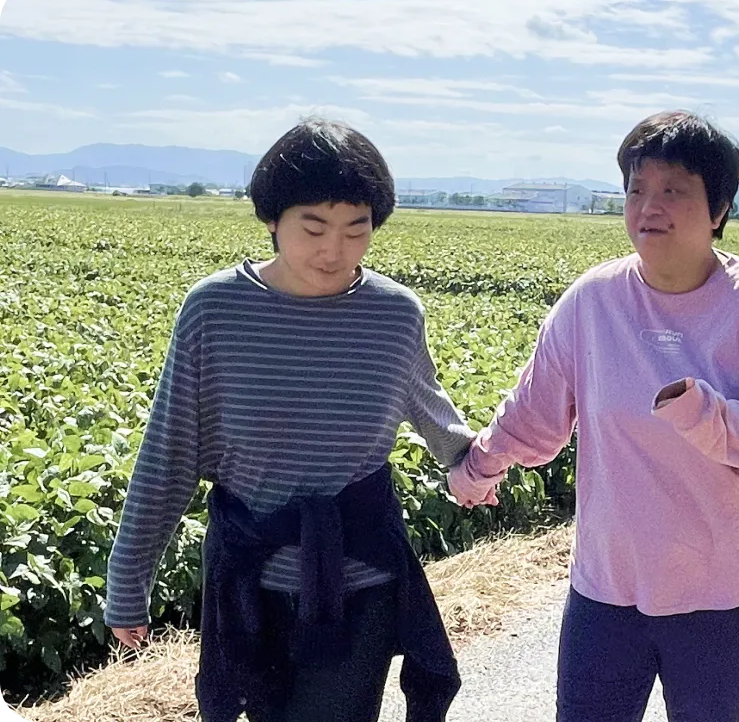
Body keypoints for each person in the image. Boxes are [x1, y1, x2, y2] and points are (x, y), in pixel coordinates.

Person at [448, 110, 739, 722]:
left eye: (673, 190)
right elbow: (533, 414)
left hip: (718, 590)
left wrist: (711, 420)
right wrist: (479, 468)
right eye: (637, 190)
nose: (649, 207)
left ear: (718, 210)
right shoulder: (592, 302)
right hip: (607, 585)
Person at [104, 117, 476, 722]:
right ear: (272, 218)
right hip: (249, 583)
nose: (334, 250)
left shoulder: (394, 315)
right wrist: (129, 581)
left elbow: (435, 413)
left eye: (357, 229)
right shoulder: (215, 310)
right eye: (314, 226)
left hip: (357, 578)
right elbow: (169, 453)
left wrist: (479, 463)